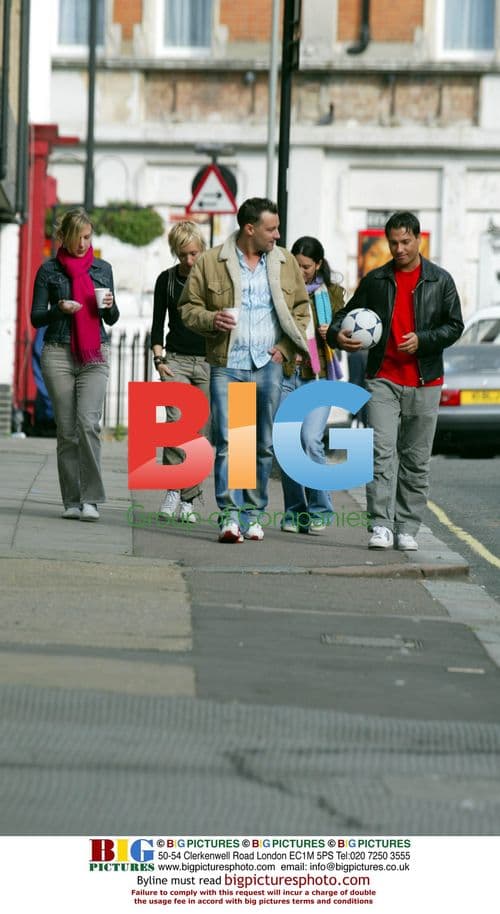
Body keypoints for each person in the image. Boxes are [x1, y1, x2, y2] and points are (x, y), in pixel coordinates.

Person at [327, 210, 463, 551]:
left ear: (418, 239)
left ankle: (406, 527)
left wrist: (425, 339)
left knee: (416, 460)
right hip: (382, 379)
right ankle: (381, 526)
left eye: (405, 242)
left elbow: (455, 326)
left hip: (425, 381)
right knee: (380, 453)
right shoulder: (375, 280)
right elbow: (342, 316)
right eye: (393, 243)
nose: (399, 249)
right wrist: (336, 335)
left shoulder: (440, 280)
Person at [179, 196, 310, 543]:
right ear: (249, 229)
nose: (277, 235)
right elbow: (187, 308)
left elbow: (300, 308)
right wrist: (211, 319)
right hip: (229, 364)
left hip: (268, 365)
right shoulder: (211, 261)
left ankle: (253, 515)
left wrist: (285, 349)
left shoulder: (284, 262)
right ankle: (229, 516)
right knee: (229, 442)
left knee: (262, 444)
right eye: (271, 228)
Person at [31, 206, 119, 521]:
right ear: (64, 237)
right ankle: (71, 500)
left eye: (87, 236)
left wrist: (108, 306)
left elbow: (112, 317)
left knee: (87, 424)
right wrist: (58, 309)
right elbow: (35, 317)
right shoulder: (48, 270)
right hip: (57, 352)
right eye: (77, 237)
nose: (83, 243)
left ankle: (91, 499)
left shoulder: (102, 268)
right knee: (67, 430)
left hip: (95, 354)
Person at [279, 236, 345, 534]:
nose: (300, 270)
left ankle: (321, 508)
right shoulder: (281, 290)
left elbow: (346, 332)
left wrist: (331, 330)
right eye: (295, 264)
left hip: (317, 376)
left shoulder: (331, 295)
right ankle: (295, 512)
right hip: (286, 374)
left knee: (309, 440)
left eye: (306, 266)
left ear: (318, 265)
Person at [150, 221, 209, 523]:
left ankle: (189, 497)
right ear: (176, 252)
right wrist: (159, 360)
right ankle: (174, 489)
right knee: (175, 425)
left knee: (197, 433)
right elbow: (157, 325)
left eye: (195, 253)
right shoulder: (168, 281)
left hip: (209, 362)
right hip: (176, 359)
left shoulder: (213, 279)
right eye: (184, 254)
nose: (189, 260)